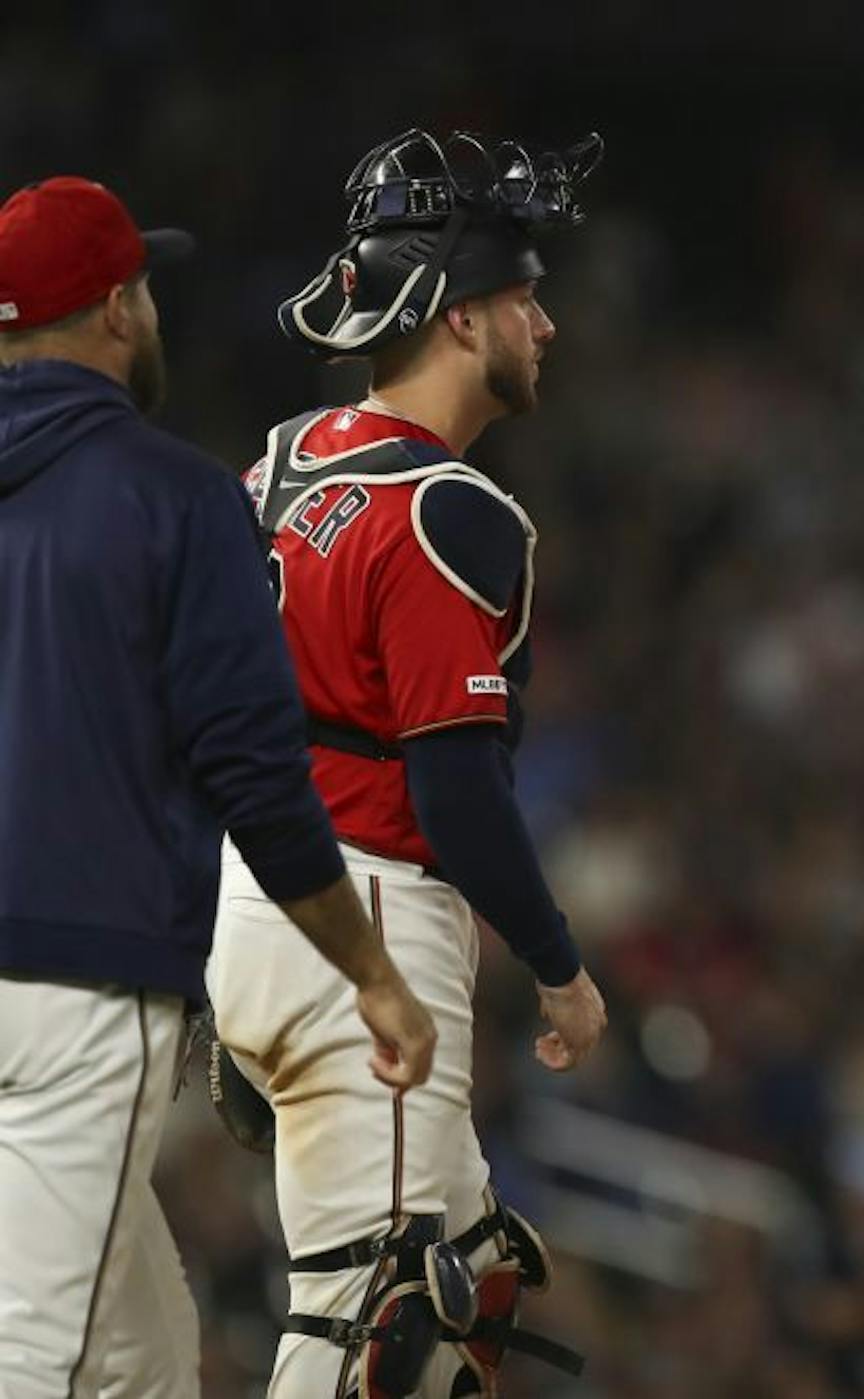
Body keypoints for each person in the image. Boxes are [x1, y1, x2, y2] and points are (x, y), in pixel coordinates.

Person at [0, 175, 435, 1399]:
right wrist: (372, 974)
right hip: (74, 987)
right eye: (142, 287)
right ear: (117, 309)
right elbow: (257, 774)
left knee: (140, 1351)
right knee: (33, 1357)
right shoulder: (176, 496)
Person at [206, 130, 607, 1397]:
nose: (544, 325)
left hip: (257, 898)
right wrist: (558, 964)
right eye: (523, 297)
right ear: (457, 315)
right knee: (373, 1318)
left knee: (468, 1276)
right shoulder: (448, 507)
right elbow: (455, 789)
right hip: (365, 916)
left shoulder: (280, 460)